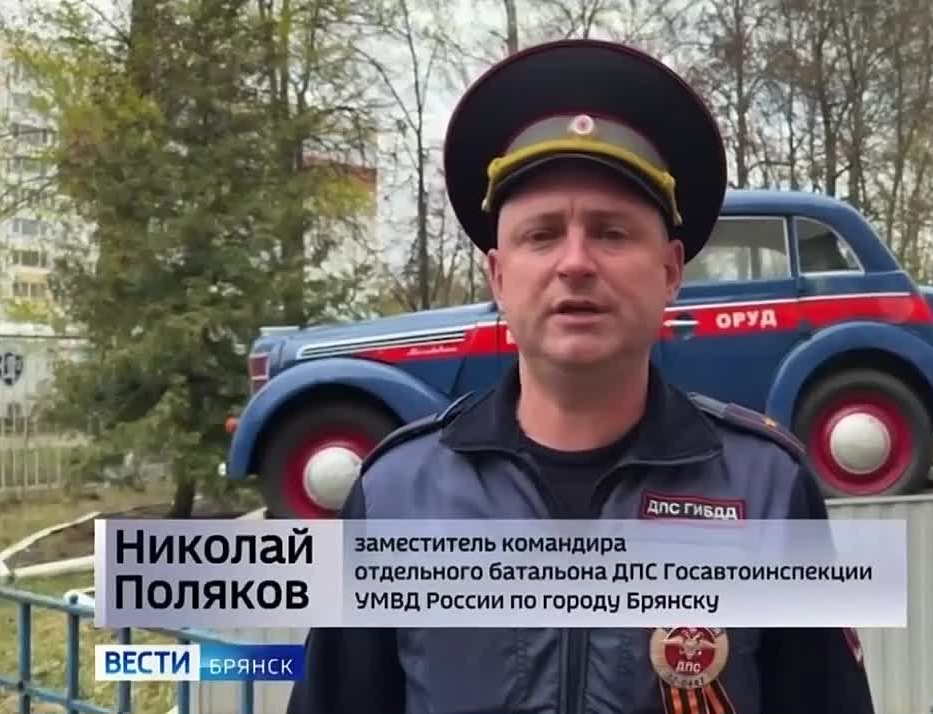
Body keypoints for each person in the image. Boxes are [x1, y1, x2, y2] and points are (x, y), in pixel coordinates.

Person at [286, 38, 876, 714]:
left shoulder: (769, 490)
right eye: (541, 235)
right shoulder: (395, 499)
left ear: (670, 272)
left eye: (612, 233)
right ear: (498, 277)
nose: (575, 263)